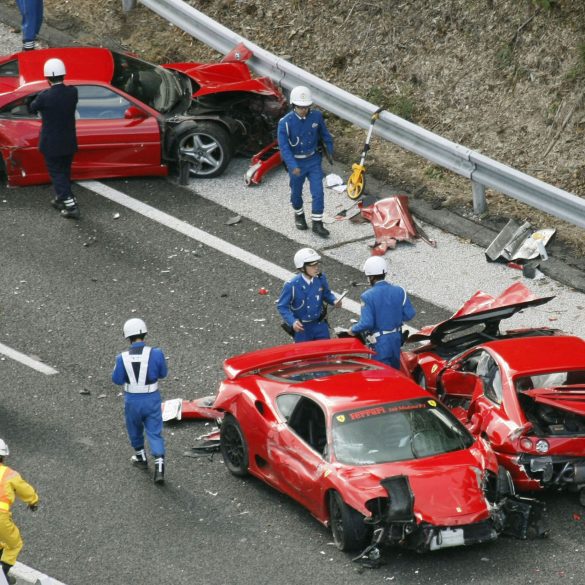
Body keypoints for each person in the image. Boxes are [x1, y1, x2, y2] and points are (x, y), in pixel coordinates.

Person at [112, 319, 168, 484]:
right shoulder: (156, 353)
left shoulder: (121, 358)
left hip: (132, 400)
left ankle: (141, 458)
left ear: (127, 337)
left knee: (134, 429)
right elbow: (163, 373)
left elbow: (117, 379)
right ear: (144, 333)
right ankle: (159, 466)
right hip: (152, 398)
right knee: (154, 431)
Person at [277, 86, 334, 238]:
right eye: (300, 107)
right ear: (293, 105)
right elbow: (284, 148)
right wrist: (293, 166)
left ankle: (317, 223)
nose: (304, 110)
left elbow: (325, 135)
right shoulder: (285, 123)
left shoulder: (316, 117)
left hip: (314, 160)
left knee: (318, 192)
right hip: (296, 163)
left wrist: (330, 150)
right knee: (296, 192)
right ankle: (299, 214)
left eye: (306, 107)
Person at [29, 57, 80, 219]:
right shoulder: (73, 92)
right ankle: (60, 198)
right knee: (65, 171)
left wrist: (36, 97)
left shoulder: (44, 97)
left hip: (51, 144)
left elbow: (32, 108)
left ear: (47, 77)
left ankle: (70, 205)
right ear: (63, 74)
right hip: (69, 141)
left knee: (57, 173)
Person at [350, 256, 415, 369]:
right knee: (395, 373)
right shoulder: (400, 290)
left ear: (371, 276)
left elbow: (367, 323)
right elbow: (409, 314)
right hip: (396, 338)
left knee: (379, 376)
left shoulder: (367, 296)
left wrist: (353, 329)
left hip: (380, 343)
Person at [277, 248, 342, 342]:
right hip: (302, 328)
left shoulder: (320, 278)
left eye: (317, 264)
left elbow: (326, 294)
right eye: (312, 265)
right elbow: (282, 306)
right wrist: (293, 321)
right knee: (305, 355)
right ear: (302, 268)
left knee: (326, 353)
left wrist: (334, 300)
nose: (316, 267)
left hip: (320, 324)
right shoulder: (292, 285)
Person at [0, 439, 39, 585]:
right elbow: (25, 490)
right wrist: (33, 501)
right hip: (0, 517)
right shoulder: (9, 474)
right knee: (14, 544)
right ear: (3, 456)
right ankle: (1, 578)